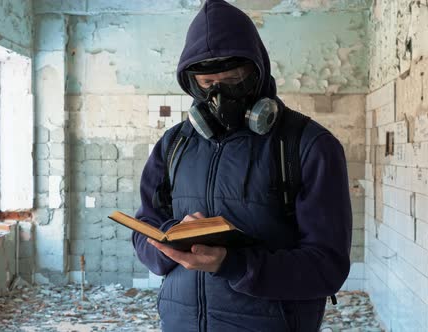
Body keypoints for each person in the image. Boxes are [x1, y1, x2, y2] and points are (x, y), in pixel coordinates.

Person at [132, 0, 352, 331]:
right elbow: (144, 229)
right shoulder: (174, 144)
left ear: (258, 74)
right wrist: (169, 246)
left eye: (234, 80)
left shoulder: (309, 146)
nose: (220, 96)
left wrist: (232, 264)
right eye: (207, 84)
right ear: (192, 84)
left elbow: (327, 268)